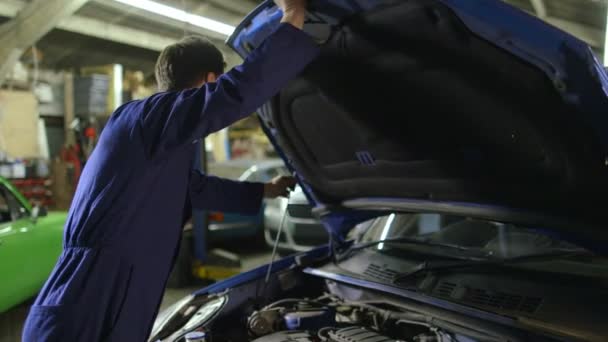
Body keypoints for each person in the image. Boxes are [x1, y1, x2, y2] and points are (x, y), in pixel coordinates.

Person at [22, 0, 319, 340]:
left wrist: (264, 190)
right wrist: (292, 17)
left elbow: (196, 188)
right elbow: (235, 94)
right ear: (210, 80)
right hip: (87, 302)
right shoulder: (143, 118)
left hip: (102, 296)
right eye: (215, 84)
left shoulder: (156, 145)